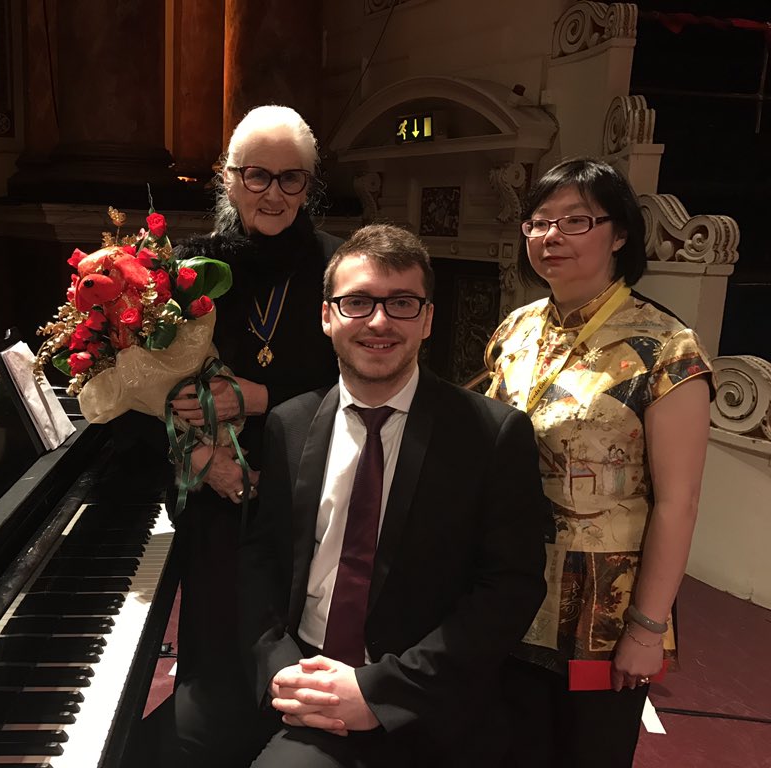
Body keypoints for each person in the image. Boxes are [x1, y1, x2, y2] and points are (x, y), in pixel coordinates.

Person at [239, 224, 551, 767]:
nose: (379, 321)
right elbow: (262, 561)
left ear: (428, 319)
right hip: (309, 676)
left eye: (402, 303)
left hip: (426, 695)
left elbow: (510, 588)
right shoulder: (289, 423)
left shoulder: (493, 434)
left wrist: (381, 691)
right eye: (357, 301)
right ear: (326, 316)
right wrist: (278, 665)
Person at [484, 157, 714, 767]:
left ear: (619, 235)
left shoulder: (666, 348)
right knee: (510, 744)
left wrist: (645, 628)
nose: (551, 236)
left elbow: (678, 501)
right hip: (512, 583)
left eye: (576, 220)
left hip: (602, 609)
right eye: (538, 221)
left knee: (589, 750)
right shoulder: (516, 330)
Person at [136, 105, 342, 767]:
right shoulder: (184, 272)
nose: (274, 194)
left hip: (308, 493)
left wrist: (258, 399)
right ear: (227, 179)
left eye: (292, 180)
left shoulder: (340, 271)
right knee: (215, 655)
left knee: (297, 655)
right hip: (213, 495)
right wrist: (200, 454)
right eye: (257, 176)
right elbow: (141, 393)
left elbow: (367, 390)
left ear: (311, 187)